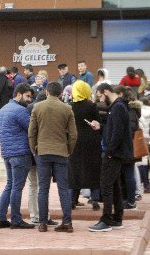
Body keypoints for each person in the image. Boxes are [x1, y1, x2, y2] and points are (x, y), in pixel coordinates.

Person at [28, 82, 77, 233]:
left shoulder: (37, 107)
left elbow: (31, 132)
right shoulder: (67, 108)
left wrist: (34, 149)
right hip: (61, 151)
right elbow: (73, 135)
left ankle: (42, 223)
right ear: (61, 94)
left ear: (47, 92)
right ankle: (67, 222)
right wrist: (68, 149)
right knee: (63, 188)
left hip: (42, 152)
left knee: (43, 188)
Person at [88, 84, 132, 232]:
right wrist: (100, 127)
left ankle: (106, 220)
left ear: (106, 92)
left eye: (100, 96)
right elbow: (112, 130)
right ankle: (117, 218)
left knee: (106, 185)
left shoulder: (118, 107)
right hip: (115, 152)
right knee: (114, 185)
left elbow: (117, 133)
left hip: (114, 153)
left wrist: (109, 152)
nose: (100, 99)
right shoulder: (116, 107)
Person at [0, 83, 36, 230]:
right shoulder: (20, 111)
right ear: (19, 94)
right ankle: (16, 219)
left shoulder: (2, 110)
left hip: (7, 153)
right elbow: (32, 129)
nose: (29, 99)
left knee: (10, 185)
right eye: (27, 96)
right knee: (17, 187)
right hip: (20, 153)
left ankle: (0, 219)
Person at [67, 81, 102, 212]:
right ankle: (95, 200)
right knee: (93, 170)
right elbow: (98, 123)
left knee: (74, 171)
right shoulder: (91, 105)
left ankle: (72, 201)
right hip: (91, 141)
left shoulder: (70, 107)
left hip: (75, 141)